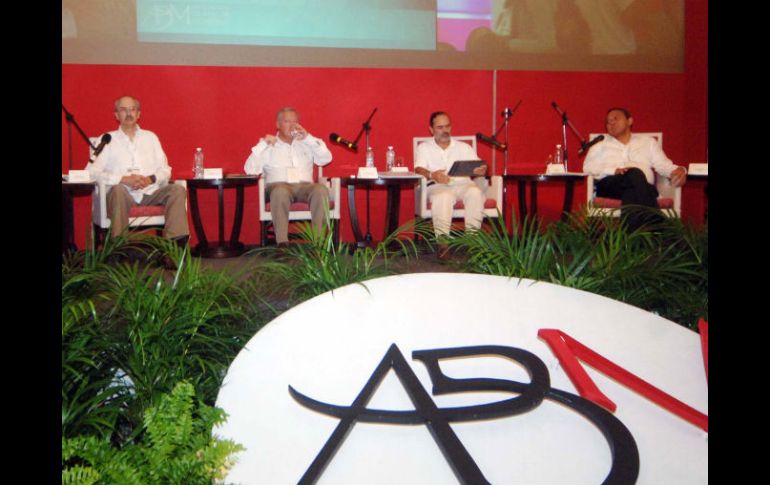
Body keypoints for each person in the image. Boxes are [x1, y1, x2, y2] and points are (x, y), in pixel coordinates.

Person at [87, 95, 189, 242]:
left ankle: (173, 249)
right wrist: (123, 179)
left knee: (178, 190)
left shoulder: (151, 137)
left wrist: (150, 179)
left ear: (138, 114)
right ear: (116, 115)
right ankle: (119, 249)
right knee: (117, 190)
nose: (129, 114)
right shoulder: (107, 139)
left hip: (150, 193)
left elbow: (166, 169)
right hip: (122, 195)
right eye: (123, 110)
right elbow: (91, 172)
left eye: (132, 109)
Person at [583, 107, 687, 230]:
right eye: (608, 121)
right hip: (610, 186)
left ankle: (631, 240)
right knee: (635, 173)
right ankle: (656, 225)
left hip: (636, 188)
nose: (611, 123)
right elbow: (587, 167)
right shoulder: (599, 144)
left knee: (632, 191)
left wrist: (679, 170)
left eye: (615, 119)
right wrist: (613, 170)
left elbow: (662, 165)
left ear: (630, 121)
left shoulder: (648, 142)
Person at [244, 107, 332, 246]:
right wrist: (262, 145)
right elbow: (249, 170)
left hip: (304, 186)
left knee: (320, 190)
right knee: (280, 192)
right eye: (287, 121)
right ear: (278, 125)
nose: (292, 125)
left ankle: (320, 244)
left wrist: (308, 138)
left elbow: (326, 158)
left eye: (295, 122)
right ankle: (282, 243)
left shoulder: (306, 143)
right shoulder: (268, 144)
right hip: (277, 186)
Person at [414, 112, 488, 253]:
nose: (445, 130)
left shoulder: (464, 147)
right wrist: (432, 174)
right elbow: (418, 169)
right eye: (440, 127)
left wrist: (481, 170)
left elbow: (478, 166)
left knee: (475, 192)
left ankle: (473, 242)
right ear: (431, 129)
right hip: (437, 185)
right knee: (443, 196)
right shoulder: (424, 147)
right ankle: (443, 243)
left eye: (447, 126)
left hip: (463, 184)